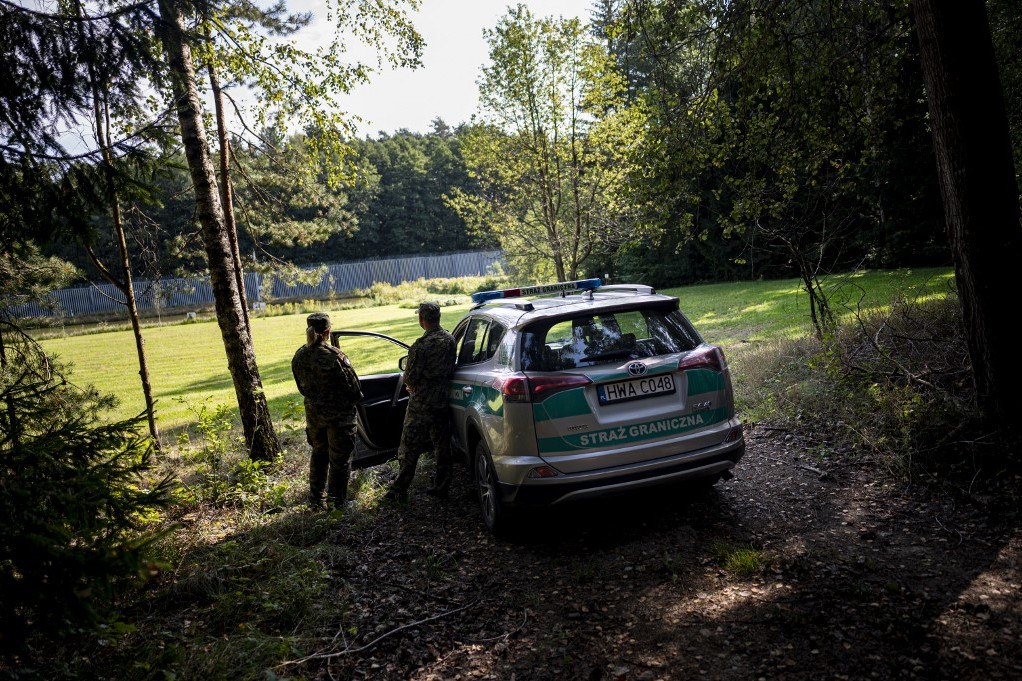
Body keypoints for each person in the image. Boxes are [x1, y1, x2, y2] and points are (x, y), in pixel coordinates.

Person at [384, 301, 456, 501]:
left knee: (409, 446)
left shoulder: (420, 345)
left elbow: (410, 377)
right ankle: (442, 487)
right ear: (438, 318)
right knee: (442, 445)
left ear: (421, 320)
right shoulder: (450, 340)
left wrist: (411, 385)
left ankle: (399, 490)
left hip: (421, 403)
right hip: (442, 399)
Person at [291, 312, 363, 510]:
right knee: (339, 460)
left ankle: (316, 500)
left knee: (319, 455)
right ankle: (337, 503)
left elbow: (301, 387)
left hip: (314, 417)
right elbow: (355, 390)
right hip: (339, 419)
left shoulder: (299, 356)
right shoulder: (336, 357)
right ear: (328, 331)